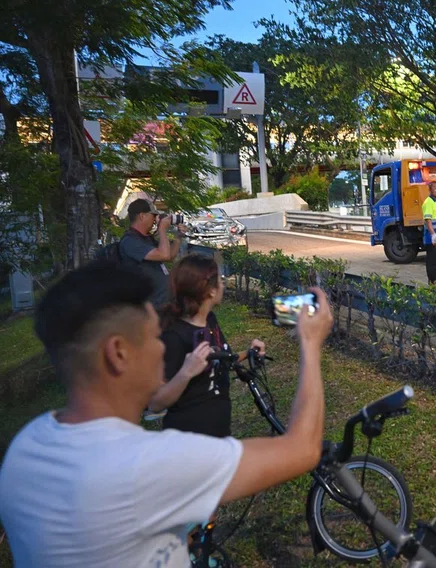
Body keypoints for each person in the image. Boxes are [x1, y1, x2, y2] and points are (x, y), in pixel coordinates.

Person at [0, 261, 331, 567]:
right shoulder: (144, 467)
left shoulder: (24, 447)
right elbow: (302, 450)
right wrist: (310, 343)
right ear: (118, 353)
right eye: (152, 337)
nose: (161, 346)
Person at [148, 254, 264, 438]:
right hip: (188, 443)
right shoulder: (175, 337)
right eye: (220, 280)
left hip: (218, 435)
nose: (223, 284)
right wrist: (186, 372)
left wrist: (250, 353)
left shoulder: (210, 321)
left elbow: (222, 359)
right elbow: (156, 403)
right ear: (210, 290)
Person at [120, 198, 187, 308]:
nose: (155, 220)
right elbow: (164, 255)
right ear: (142, 216)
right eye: (153, 216)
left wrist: (178, 238)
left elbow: (169, 256)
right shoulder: (130, 241)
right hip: (148, 307)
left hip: (161, 304)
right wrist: (162, 230)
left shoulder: (145, 238)